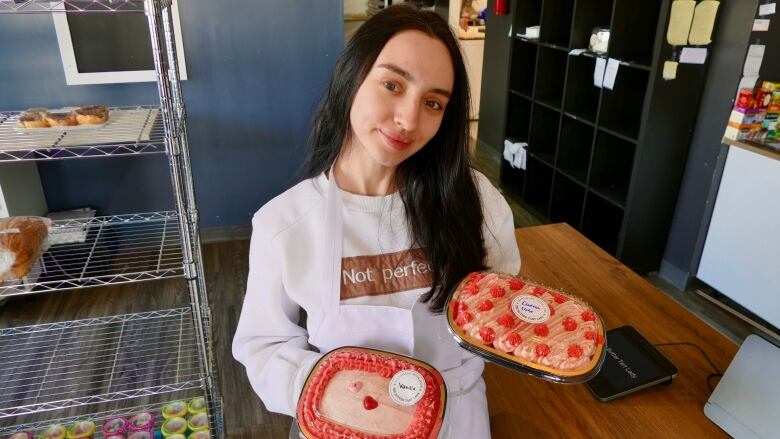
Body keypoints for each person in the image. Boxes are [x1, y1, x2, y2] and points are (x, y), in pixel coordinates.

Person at [232, 4, 520, 438]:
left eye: (433, 102)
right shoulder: (284, 222)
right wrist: (333, 390)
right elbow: (264, 344)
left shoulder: (476, 201)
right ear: (352, 78)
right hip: (341, 419)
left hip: (455, 420)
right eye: (391, 84)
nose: (408, 119)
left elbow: (500, 304)